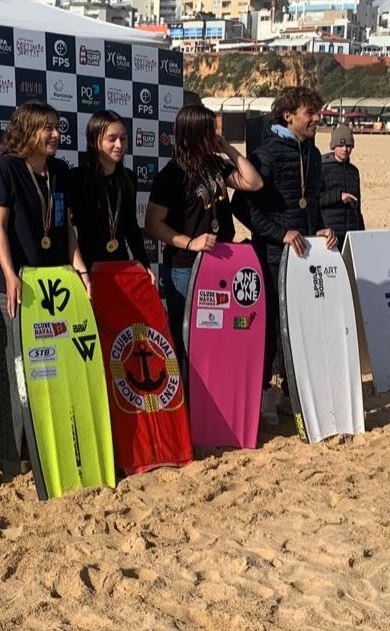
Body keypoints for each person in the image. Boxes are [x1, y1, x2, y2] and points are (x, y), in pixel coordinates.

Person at [0, 101, 92, 481]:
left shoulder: (60, 172)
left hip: (54, 286)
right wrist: (10, 273)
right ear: (27, 130)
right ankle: (9, 463)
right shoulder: (5, 169)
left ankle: (45, 452)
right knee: (15, 376)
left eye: (57, 128)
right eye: (46, 128)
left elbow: (67, 227)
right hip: (15, 287)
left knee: (50, 372)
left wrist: (78, 268)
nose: (55, 135)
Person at [233, 86, 337, 425]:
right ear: (288, 116)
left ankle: (292, 393)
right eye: (311, 113)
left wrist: (319, 227)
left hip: (306, 253)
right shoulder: (267, 153)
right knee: (272, 326)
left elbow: (312, 202)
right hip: (275, 254)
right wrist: (280, 233)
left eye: (318, 112)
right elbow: (242, 208)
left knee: (303, 324)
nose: (317, 119)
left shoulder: (312, 152)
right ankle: (264, 393)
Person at [144, 104, 263, 364]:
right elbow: (152, 224)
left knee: (216, 335)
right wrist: (189, 242)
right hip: (185, 267)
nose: (216, 135)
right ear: (195, 134)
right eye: (211, 131)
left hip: (220, 261)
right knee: (185, 336)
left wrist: (228, 149)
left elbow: (254, 182)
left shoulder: (216, 165)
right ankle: (186, 397)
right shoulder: (172, 175)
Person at [70, 110, 151, 277]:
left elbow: (131, 227)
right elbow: (67, 229)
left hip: (120, 266)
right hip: (86, 269)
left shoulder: (129, 178)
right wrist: (81, 271)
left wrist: (144, 264)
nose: (119, 145)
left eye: (123, 138)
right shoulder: (77, 178)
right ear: (94, 141)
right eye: (112, 139)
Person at [319, 124, 365, 247]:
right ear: (333, 146)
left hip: (351, 234)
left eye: (348, 146)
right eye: (341, 145)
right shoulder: (322, 169)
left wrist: (361, 233)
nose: (345, 149)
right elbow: (316, 200)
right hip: (330, 236)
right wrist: (339, 196)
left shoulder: (354, 171)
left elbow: (358, 206)